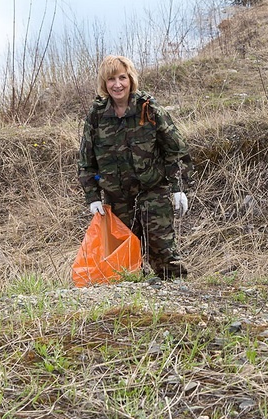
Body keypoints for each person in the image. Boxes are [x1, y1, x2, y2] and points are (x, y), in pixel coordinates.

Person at [78, 55, 194, 279]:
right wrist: (93, 197)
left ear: (131, 79)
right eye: (111, 79)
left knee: (163, 249)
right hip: (117, 198)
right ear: (104, 83)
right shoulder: (96, 116)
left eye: (122, 77)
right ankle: (134, 301)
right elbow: (86, 161)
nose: (117, 84)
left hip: (153, 191)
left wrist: (178, 188)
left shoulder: (148, 109)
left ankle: (177, 293)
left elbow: (175, 150)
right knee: (125, 259)